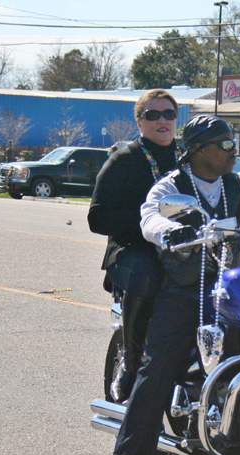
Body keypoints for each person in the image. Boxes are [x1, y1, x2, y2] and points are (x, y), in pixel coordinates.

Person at [110, 115, 240, 455]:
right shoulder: (172, 186)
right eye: (226, 145)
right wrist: (170, 230)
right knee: (158, 367)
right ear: (199, 150)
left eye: (235, 144)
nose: (235, 151)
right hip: (182, 290)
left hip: (229, 289)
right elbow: (150, 217)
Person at [87, 89, 181, 403]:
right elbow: (97, 218)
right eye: (152, 115)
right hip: (131, 250)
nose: (162, 120)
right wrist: (149, 220)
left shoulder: (189, 159)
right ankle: (130, 362)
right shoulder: (123, 160)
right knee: (146, 275)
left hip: (182, 250)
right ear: (139, 122)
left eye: (169, 114)